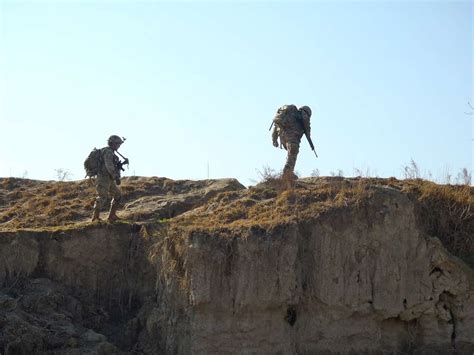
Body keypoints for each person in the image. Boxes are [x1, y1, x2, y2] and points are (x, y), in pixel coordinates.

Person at [271, 105, 312, 179]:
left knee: (291, 154)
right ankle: (287, 173)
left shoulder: (289, 115)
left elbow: (276, 126)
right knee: (293, 153)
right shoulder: (303, 116)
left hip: (283, 137)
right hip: (292, 138)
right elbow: (308, 131)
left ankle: (288, 172)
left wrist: (274, 139)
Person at [91, 135, 124, 222]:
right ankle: (95, 217)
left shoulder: (111, 152)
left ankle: (112, 216)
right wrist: (116, 176)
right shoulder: (108, 152)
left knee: (118, 195)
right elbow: (109, 165)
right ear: (112, 143)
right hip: (103, 178)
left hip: (109, 178)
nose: (119, 146)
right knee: (102, 197)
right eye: (117, 144)